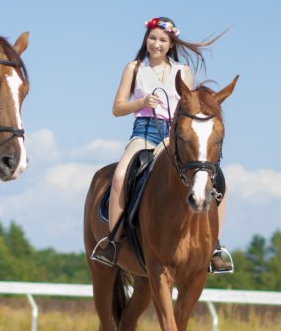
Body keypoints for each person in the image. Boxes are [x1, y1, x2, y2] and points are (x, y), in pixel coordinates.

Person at [90, 16, 233, 272]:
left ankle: (214, 247)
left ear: (171, 44)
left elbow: (191, 108)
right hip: (144, 133)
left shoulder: (183, 72)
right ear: (146, 39)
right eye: (152, 38)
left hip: (175, 135)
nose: (156, 44)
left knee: (221, 182)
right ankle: (112, 242)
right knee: (121, 176)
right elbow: (117, 108)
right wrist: (141, 103)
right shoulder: (134, 68)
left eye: (162, 40)